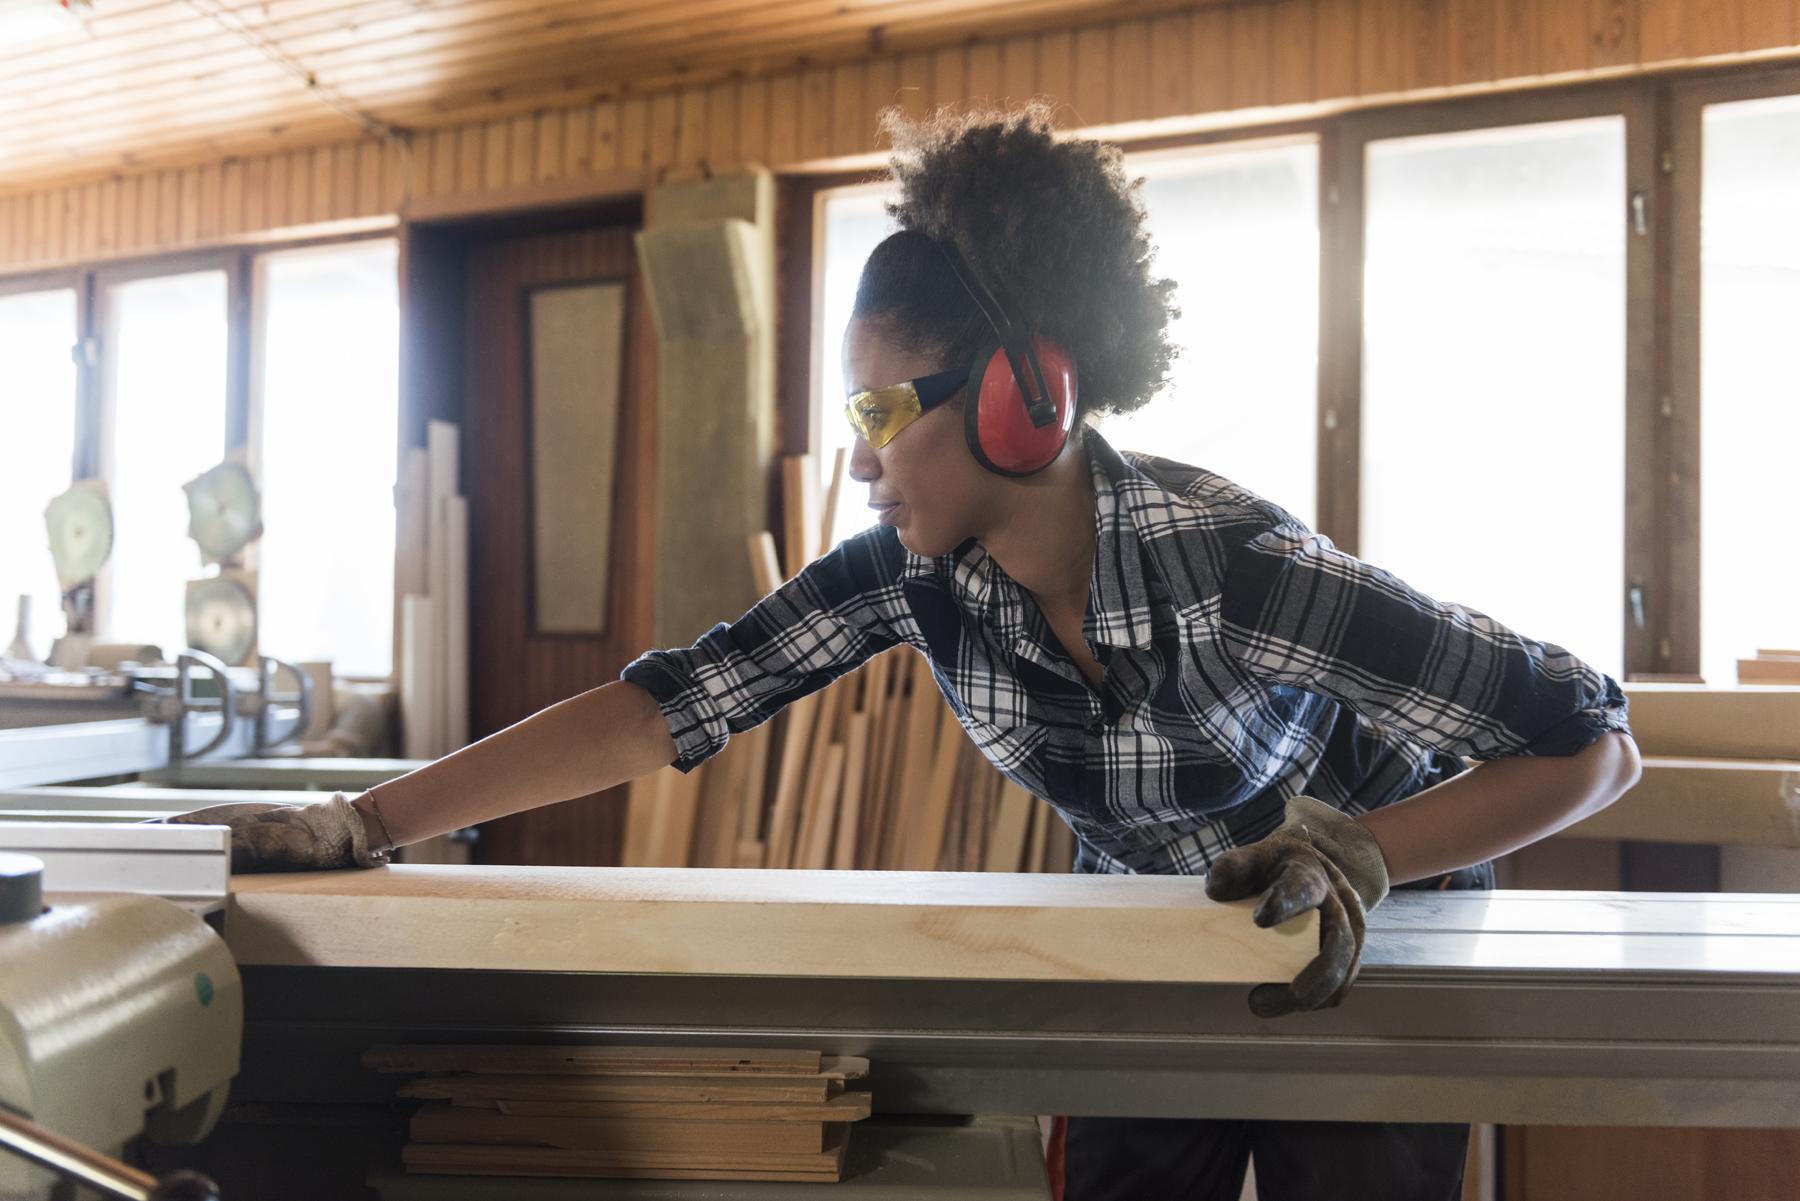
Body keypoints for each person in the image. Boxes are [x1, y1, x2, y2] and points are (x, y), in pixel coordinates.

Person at [172, 104, 1641, 1200]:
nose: (861, 459)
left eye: (881, 414)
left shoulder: (1235, 567)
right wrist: (369, 818)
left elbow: (1590, 736)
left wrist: (1362, 849)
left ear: (1023, 400)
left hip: (1372, 929)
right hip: (1158, 931)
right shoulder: (917, 580)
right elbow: (672, 707)